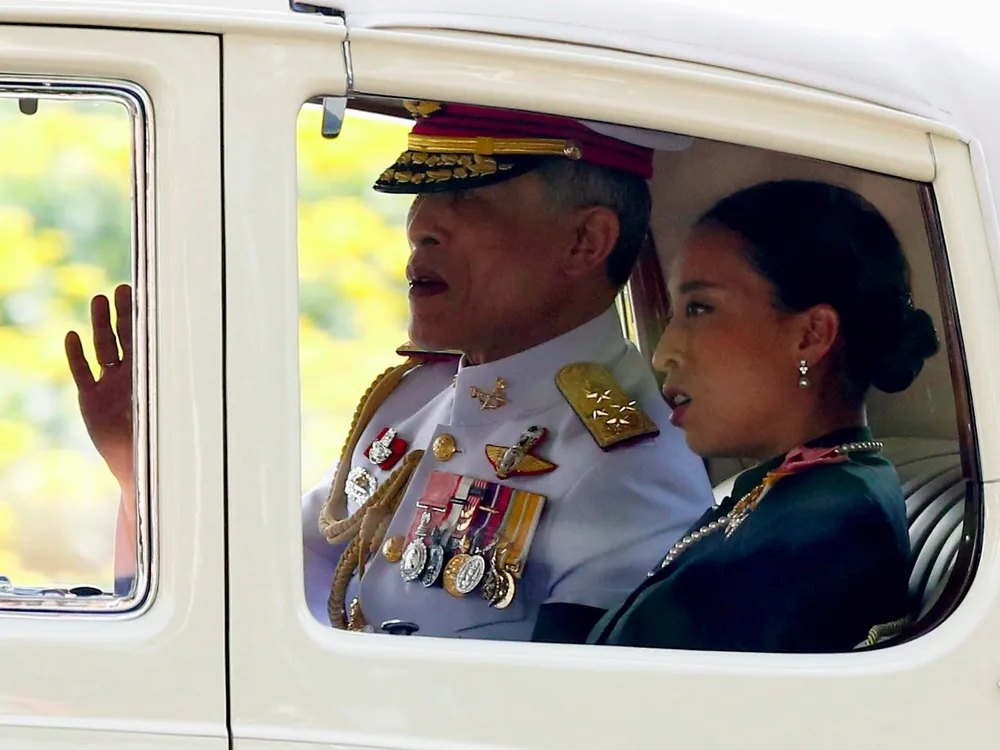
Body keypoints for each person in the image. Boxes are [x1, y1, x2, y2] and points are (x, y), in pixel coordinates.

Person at [67, 101, 715, 641]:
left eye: (467, 196)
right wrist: (141, 466)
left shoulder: (629, 463)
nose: (423, 227)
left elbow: (571, 712)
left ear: (584, 242)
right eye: (423, 196)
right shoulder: (414, 399)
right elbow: (261, 590)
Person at [552, 179, 940, 652]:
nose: (664, 353)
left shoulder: (817, 530)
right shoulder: (796, 491)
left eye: (699, 308)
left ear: (810, 336)